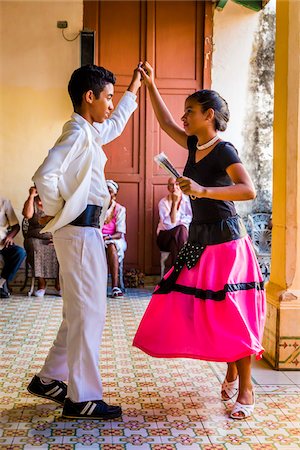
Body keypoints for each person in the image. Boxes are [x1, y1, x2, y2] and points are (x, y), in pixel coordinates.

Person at [133, 62, 266, 420]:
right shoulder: (194, 144)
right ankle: (230, 370)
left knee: (232, 313)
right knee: (196, 307)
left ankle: (246, 387)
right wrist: (150, 84)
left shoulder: (225, 151)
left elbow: (247, 189)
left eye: (190, 112)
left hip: (227, 242)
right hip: (200, 238)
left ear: (209, 115)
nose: (185, 117)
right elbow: (164, 124)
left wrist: (204, 189)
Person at [27, 64, 141, 419]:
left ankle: (49, 379)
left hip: (83, 231)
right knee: (89, 313)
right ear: (88, 97)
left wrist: (133, 87)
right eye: (107, 97)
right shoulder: (76, 133)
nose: (110, 104)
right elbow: (46, 174)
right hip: (78, 231)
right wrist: (59, 210)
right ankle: (83, 398)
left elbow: (116, 123)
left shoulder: (88, 131)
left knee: (78, 311)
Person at [22, 186, 60, 297]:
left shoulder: (55, 202)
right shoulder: (32, 201)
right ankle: (41, 283)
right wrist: (31, 196)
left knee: (60, 249)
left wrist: (56, 237)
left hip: (52, 236)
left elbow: (61, 221)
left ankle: (59, 284)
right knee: (35, 249)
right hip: (34, 237)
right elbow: (27, 215)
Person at [157, 177, 192, 267]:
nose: (174, 187)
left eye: (177, 184)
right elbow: (170, 225)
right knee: (181, 229)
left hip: (180, 239)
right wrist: (174, 203)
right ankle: (182, 271)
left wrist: (179, 223)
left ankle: (175, 275)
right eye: (171, 185)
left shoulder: (188, 201)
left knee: (175, 242)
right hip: (164, 238)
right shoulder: (163, 203)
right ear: (168, 188)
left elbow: (191, 220)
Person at [102, 180, 127, 298]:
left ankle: (115, 286)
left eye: (110, 191)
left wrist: (108, 237)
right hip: (98, 238)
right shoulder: (98, 207)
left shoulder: (120, 209)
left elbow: (120, 233)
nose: (107, 193)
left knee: (111, 246)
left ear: (114, 195)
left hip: (114, 238)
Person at [0, 197, 26, 298]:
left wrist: (10, 237)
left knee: (20, 252)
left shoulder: (4, 202)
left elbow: (16, 226)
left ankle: (1, 282)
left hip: (3, 242)